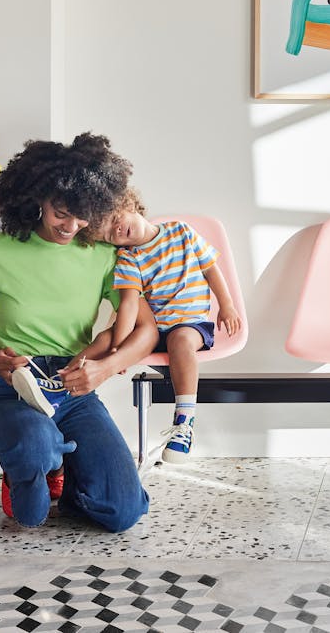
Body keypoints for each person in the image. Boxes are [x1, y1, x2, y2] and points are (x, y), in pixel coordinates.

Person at [0, 133, 154, 531]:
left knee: (123, 513)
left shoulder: (104, 256)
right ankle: (32, 457)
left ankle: (57, 467)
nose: (71, 226)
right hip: (10, 388)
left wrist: (105, 368)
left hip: (73, 389)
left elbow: (147, 330)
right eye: (61, 213)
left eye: (83, 215)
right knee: (30, 513)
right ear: (38, 200)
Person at [88, 188, 242, 463]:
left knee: (180, 341)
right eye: (110, 234)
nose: (116, 229)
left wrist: (227, 304)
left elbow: (210, 269)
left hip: (191, 324)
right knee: (104, 337)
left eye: (114, 218)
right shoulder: (129, 258)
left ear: (129, 203)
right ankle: (61, 379)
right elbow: (129, 305)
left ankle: (184, 422)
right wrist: (118, 348)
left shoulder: (180, 232)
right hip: (156, 328)